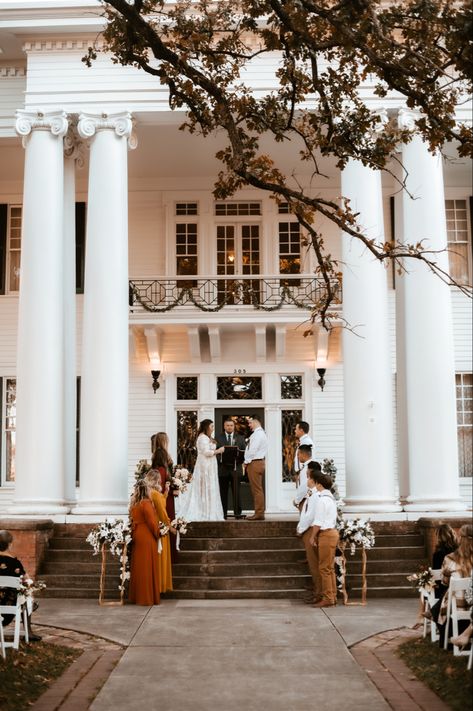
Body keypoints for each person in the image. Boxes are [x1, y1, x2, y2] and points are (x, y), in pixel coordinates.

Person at [432, 524, 473, 645]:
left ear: (460, 537)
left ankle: (448, 635)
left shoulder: (449, 558)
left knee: (444, 599)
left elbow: (445, 582)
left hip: (458, 605)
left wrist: (449, 576)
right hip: (471, 606)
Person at [177, 419, 225, 521]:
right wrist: (218, 451)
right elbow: (206, 452)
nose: (213, 429)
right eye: (211, 426)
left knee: (209, 487)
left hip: (209, 465)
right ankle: (204, 511)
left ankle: (209, 511)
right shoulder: (202, 438)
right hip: (205, 466)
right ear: (206, 427)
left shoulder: (207, 438)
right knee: (205, 486)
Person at [0, 530, 41, 641]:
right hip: (9, 610)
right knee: (26, 594)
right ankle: (29, 632)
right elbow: (28, 582)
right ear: (10, 545)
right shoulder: (15, 563)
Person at [308, 471, 339, 608]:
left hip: (326, 534)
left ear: (319, 484)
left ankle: (328, 598)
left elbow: (318, 522)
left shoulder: (322, 500)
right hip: (333, 533)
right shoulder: (331, 499)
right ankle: (332, 595)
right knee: (329, 567)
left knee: (324, 568)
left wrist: (312, 536)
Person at [128, 479, 161, 606]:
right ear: (146, 489)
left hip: (137, 535)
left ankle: (137, 597)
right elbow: (152, 522)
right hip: (146, 537)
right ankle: (146, 598)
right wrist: (158, 533)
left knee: (139, 567)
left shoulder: (134, 504)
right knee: (147, 567)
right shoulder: (146, 503)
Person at [145, 469, 176, 593]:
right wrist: (170, 526)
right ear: (156, 480)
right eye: (160, 479)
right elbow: (162, 512)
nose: (161, 481)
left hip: (152, 526)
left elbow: (160, 502)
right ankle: (160, 585)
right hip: (161, 527)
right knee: (161, 557)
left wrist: (166, 492)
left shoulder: (149, 492)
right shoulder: (155, 494)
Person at [296, 470, 321, 605]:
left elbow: (309, 516)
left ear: (314, 481)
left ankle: (319, 593)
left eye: (309, 478)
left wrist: (300, 529)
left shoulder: (316, 496)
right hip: (307, 529)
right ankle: (317, 592)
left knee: (314, 564)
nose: (307, 481)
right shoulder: (310, 494)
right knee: (313, 565)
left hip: (310, 530)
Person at [216, 417, 246, 519]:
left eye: (231, 425)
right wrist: (221, 459)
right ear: (224, 426)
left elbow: (244, 452)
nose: (229, 427)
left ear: (234, 426)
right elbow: (215, 452)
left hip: (235, 469)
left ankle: (237, 513)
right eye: (227, 425)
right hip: (222, 469)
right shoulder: (218, 438)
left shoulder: (240, 438)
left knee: (236, 492)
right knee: (223, 492)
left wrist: (239, 459)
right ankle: (223, 513)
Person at [244, 415, 268, 521]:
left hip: (255, 462)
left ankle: (259, 513)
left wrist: (246, 461)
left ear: (256, 421)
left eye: (250, 422)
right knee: (257, 489)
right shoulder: (259, 434)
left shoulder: (258, 435)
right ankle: (259, 512)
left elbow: (252, 449)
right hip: (257, 462)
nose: (249, 425)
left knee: (257, 489)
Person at [294, 447, 319, 511]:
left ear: (303, 454)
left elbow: (305, 485)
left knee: (305, 520)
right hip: (308, 497)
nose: (297, 456)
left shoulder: (308, 468)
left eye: (298, 454)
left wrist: (296, 500)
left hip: (305, 499)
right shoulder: (311, 465)